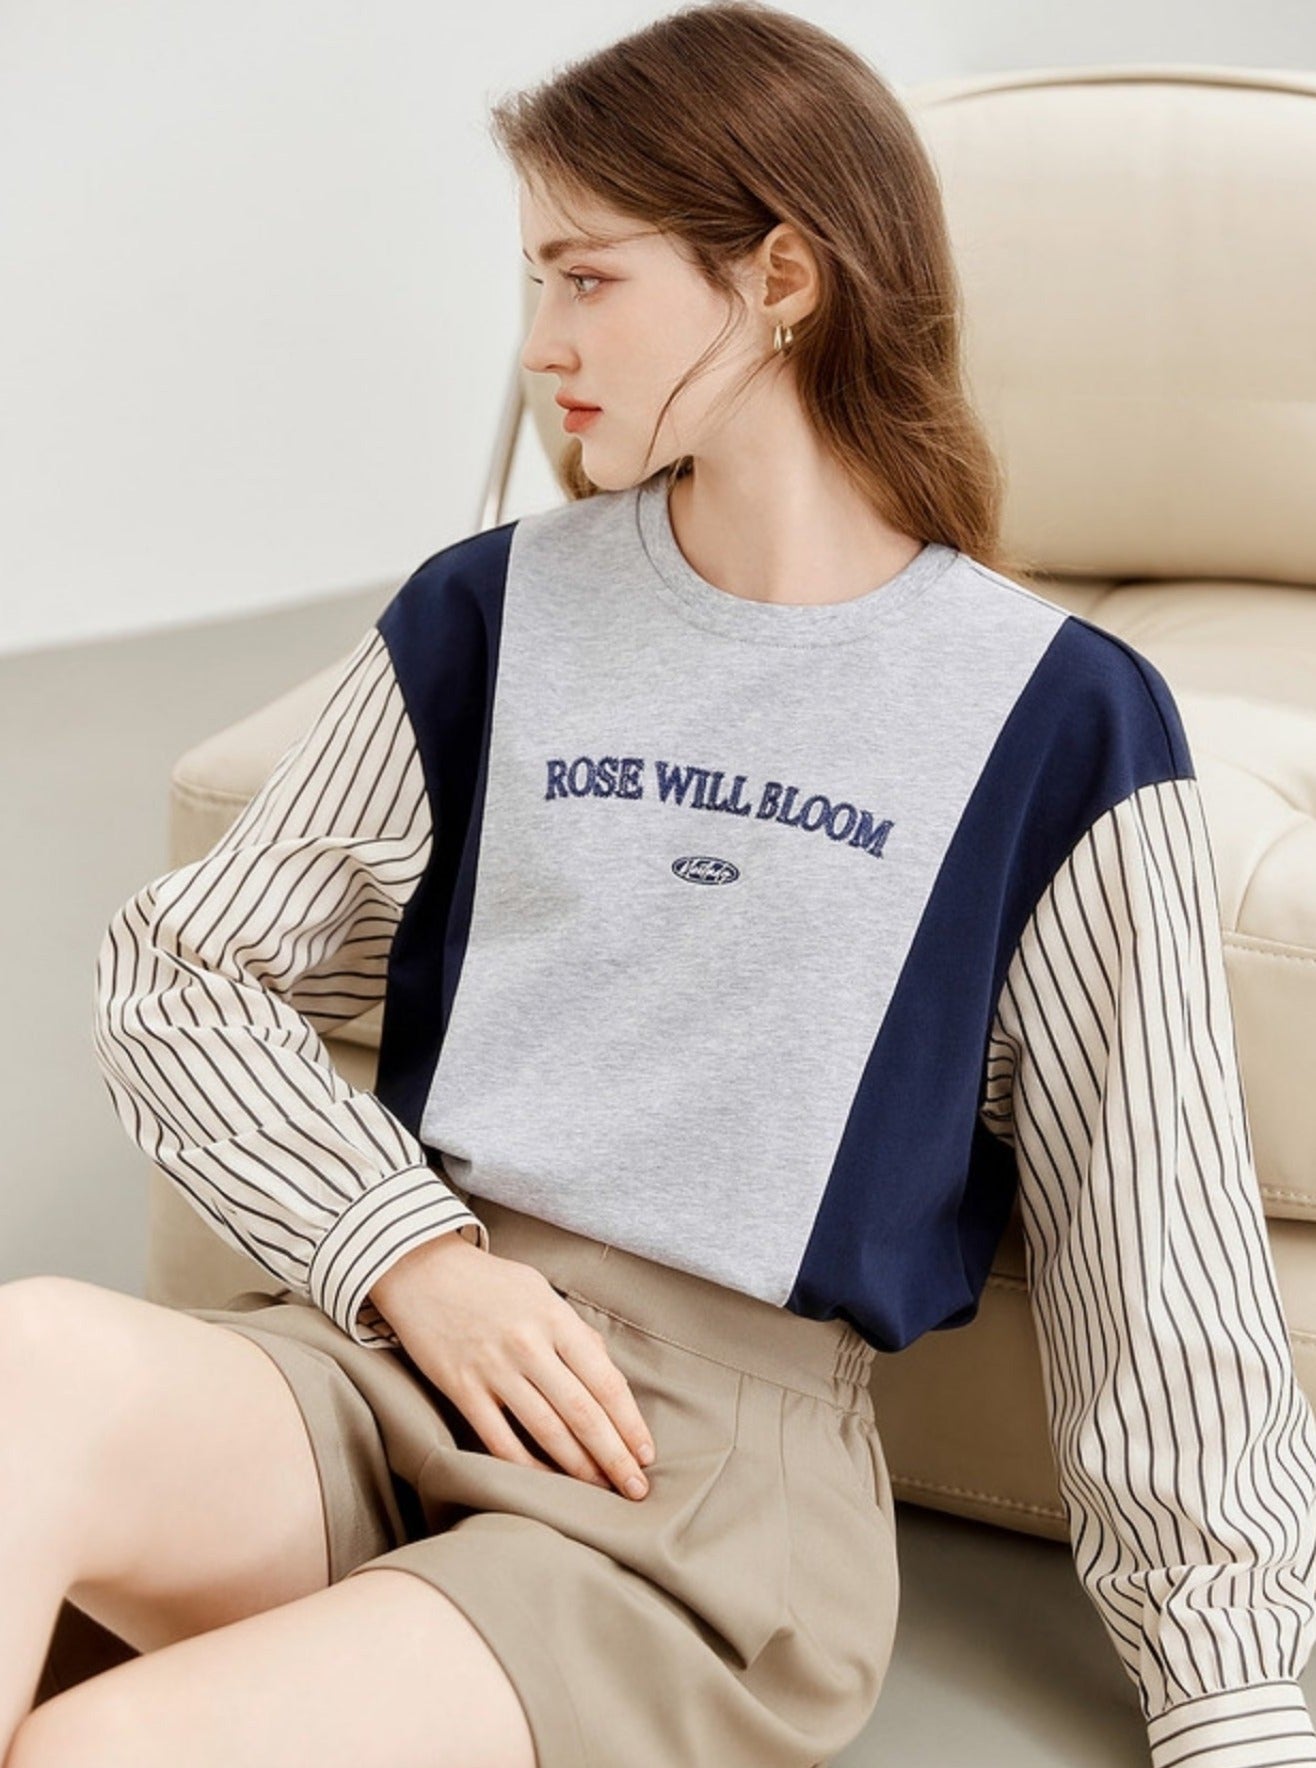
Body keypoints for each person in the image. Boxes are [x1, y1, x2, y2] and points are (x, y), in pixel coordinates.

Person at [6, 3, 1316, 1764]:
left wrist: (1236, 1705)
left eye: (586, 277)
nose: (540, 342)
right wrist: (411, 1257)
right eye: (531, 281)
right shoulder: (491, 611)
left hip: (694, 1495)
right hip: (397, 1348)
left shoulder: (1057, 719)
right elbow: (181, 972)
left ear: (781, 277)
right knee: (28, 1365)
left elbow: (1150, 1230)